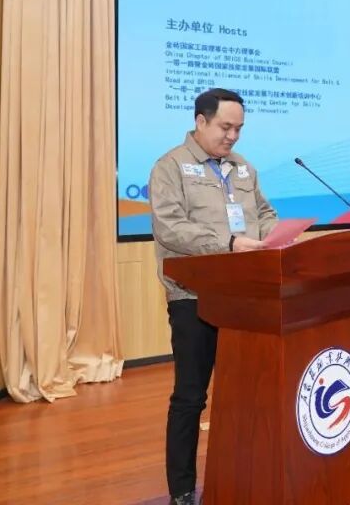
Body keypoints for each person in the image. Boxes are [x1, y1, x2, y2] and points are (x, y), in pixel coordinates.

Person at [149, 88, 278, 505]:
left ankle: (243, 475)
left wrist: (272, 237)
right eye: (225, 127)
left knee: (244, 392)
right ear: (200, 121)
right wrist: (229, 243)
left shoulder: (243, 168)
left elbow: (265, 214)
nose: (233, 136)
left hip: (244, 297)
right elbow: (170, 228)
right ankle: (183, 491)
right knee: (191, 397)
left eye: (239, 128)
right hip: (194, 298)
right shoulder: (170, 167)